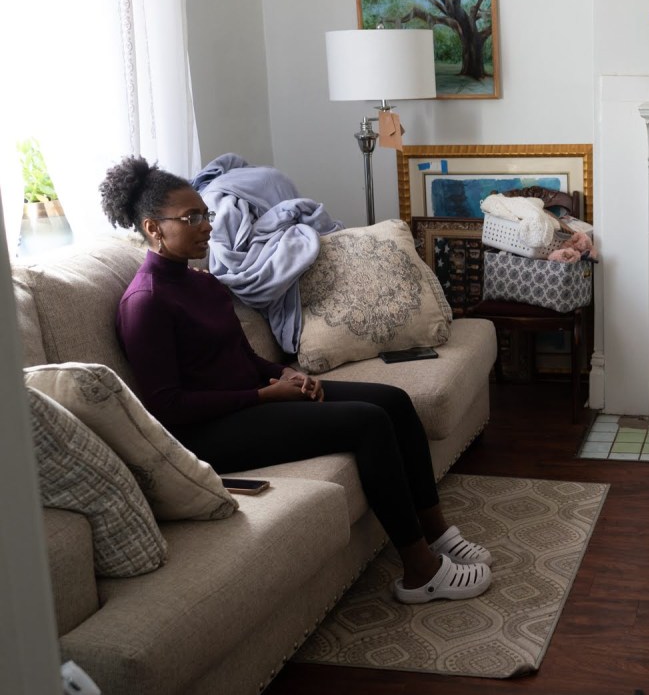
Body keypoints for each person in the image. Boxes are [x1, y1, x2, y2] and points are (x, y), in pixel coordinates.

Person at [98, 155, 492, 604]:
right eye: (191, 218)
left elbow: (241, 356)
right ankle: (422, 572)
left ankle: (437, 534)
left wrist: (285, 373)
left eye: (205, 213)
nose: (207, 225)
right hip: (206, 436)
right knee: (367, 422)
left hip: (251, 401)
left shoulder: (203, 282)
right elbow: (167, 408)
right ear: (153, 228)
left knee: (394, 401)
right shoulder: (145, 302)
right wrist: (265, 395)